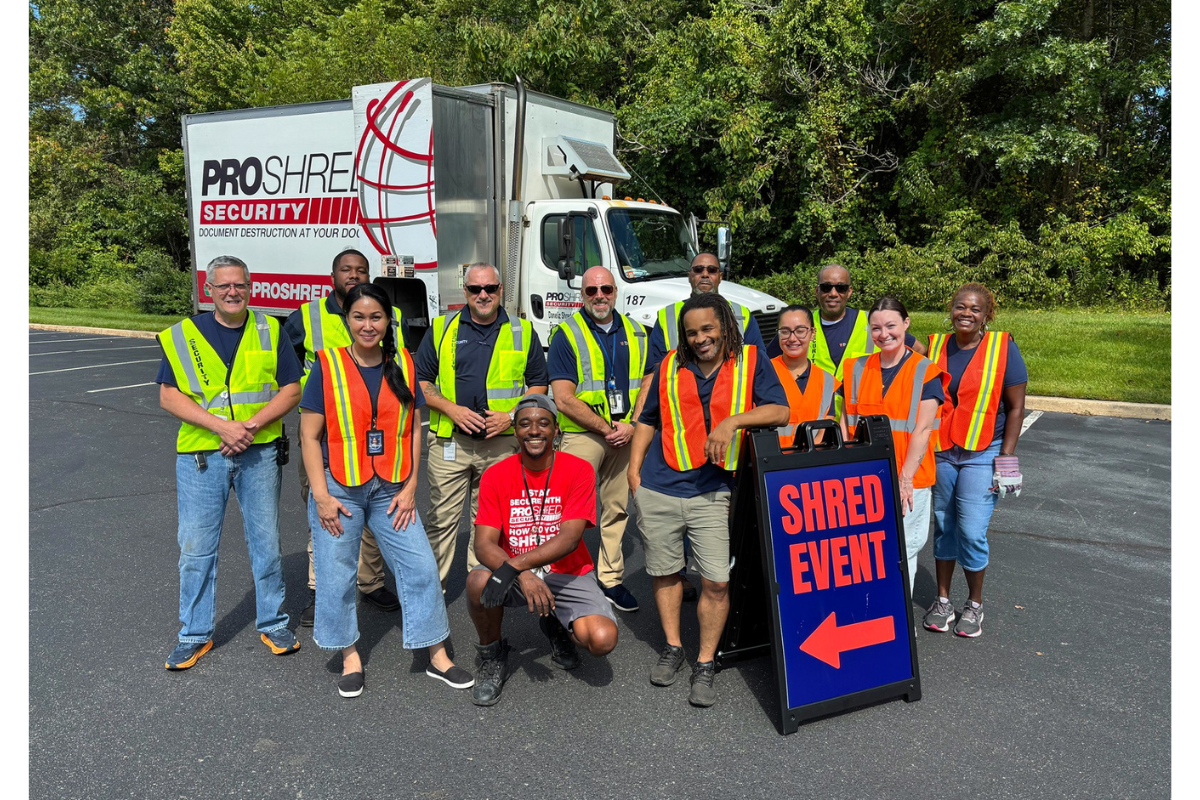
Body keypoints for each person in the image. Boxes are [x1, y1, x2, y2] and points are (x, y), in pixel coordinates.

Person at [299, 283, 472, 698]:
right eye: (359, 317)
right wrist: (322, 497)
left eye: (376, 317)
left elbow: (413, 427)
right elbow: (309, 436)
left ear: (387, 321)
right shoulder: (328, 365)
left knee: (420, 569)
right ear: (347, 320)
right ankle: (350, 656)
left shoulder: (404, 365)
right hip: (340, 489)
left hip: (392, 488)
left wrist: (412, 484)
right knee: (337, 576)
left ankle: (436, 655)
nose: (367, 325)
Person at [628, 293, 789, 707]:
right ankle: (673, 647)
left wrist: (733, 421)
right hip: (660, 485)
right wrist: (633, 470)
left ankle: (705, 662)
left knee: (715, 580)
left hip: (714, 489)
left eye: (708, 329)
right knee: (665, 574)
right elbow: (648, 421)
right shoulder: (668, 365)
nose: (700, 338)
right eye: (692, 332)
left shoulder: (751, 359)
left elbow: (780, 411)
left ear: (725, 326)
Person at [156, 255, 302, 670]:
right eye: (223, 287)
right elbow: (169, 396)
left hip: (258, 451)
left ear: (249, 286)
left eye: (239, 285)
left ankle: (273, 623)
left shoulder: (270, 328)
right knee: (196, 550)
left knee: (267, 544)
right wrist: (222, 427)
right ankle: (195, 634)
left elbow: (290, 389)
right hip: (202, 456)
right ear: (209, 289)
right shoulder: (184, 335)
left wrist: (250, 426)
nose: (232, 292)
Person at [466, 395, 618, 706]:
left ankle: (557, 624)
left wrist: (515, 567)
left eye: (543, 423)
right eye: (525, 424)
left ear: (557, 430)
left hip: (567, 571)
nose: (534, 430)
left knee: (602, 640)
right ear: (516, 431)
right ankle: (492, 654)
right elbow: (483, 544)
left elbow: (570, 539)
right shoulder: (496, 474)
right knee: (477, 583)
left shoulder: (578, 470)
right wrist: (520, 573)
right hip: (517, 573)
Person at [632, 251, 766, 600]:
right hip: (676, 451)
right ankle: (685, 580)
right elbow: (653, 377)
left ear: (721, 275)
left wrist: (734, 423)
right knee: (671, 550)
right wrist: (635, 465)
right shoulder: (665, 317)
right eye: (698, 269)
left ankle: (717, 590)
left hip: (725, 460)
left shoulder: (744, 315)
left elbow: (756, 373)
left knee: (719, 549)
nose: (704, 274)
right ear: (688, 275)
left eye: (712, 269)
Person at [283, 249, 405, 627]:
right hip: (322, 433)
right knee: (326, 513)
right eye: (346, 269)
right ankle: (321, 592)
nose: (354, 275)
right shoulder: (307, 316)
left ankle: (370, 582)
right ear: (332, 273)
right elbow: (285, 367)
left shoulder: (391, 316)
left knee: (370, 509)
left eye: (361, 270)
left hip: (373, 433)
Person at [416, 263, 550, 587]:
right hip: (452, 441)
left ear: (501, 290)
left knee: (489, 521)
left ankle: (483, 588)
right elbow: (420, 381)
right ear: (465, 292)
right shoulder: (441, 328)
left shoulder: (522, 331)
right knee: (441, 520)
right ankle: (431, 594)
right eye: (476, 289)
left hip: (500, 442)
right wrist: (452, 410)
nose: (483, 295)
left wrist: (511, 415)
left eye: (490, 288)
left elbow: (538, 383)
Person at [922, 283, 1027, 638]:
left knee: (971, 530)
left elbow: (1016, 409)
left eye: (975, 309)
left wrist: (1007, 460)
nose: (966, 313)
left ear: (987, 315)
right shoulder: (935, 346)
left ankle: (975, 605)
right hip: (942, 451)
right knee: (944, 525)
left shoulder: (1002, 348)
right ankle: (942, 601)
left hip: (983, 452)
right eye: (960, 306)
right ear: (950, 308)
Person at [548, 265, 647, 612]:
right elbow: (563, 397)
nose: (599, 296)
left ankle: (610, 578)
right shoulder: (566, 334)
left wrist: (633, 423)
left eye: (605, 289)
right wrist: (607, 429)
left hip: (625, 432)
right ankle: (563, 574)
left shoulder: (637, 332)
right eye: (592, 291)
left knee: (618, 508)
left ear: (615, 291)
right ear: (582, 296)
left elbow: (649, 379)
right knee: (568, 510)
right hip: (584, 435)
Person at [840, 297, 947, 596]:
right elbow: (848, 421)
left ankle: (898, 627)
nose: (883, 334)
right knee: (864, 550)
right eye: (876, 328)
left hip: (907, 478)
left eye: (891, 326)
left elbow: (923, 430)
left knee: (902, 552)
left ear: (906, 324)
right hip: (862, 477)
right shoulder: (855, 368)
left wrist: (905, 480)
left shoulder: (926, 371)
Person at [803, 263, 926, 383]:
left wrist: (892, 381)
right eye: (826, 287)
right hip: (814, 403)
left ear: (849, 292)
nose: (833, 294)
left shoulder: (872, 322)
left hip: (860, 404)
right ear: (816, 291)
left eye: (841, 288)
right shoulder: (803, 324)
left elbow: (919, 350)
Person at [770, 304, 839, 446]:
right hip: (770, 461)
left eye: (800, 331)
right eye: (785, 331)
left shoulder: (826, 381)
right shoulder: (764, 372)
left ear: (812, 333)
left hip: (811, 462)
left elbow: (824, 430)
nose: (792, 338)